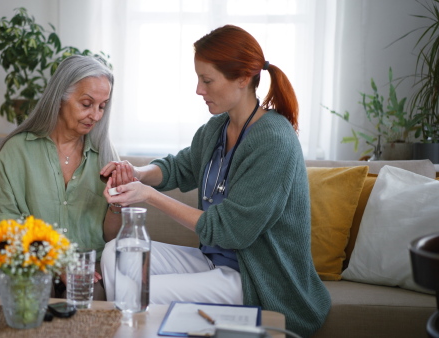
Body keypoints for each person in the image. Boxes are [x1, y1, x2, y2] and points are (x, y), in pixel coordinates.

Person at [100, 25, 331, 337]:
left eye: (207, 80)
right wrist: (137, 174)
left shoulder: (274, 141)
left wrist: (148, 196)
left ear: (242, 78)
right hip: (211, 262)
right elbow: (178, 168)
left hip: (254, 278)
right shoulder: (216, 129)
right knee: (115, 253)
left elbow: (230, 230)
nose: (198, 89)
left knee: (143, 293)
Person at [0, 55, 126, 295]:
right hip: (31, 261)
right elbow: (5, 222)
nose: (95, 115)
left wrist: (119, 203)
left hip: (88, 265)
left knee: (88, 301)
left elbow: (111, 237)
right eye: (86, 104)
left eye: (102, 106)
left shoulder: (106, 155)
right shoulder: (17, 150)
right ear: (60, 98)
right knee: (24, 295)